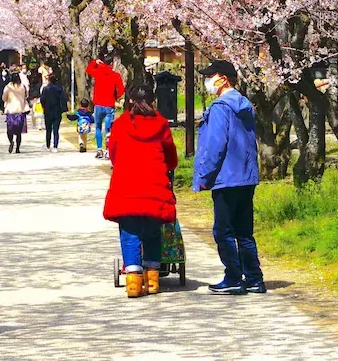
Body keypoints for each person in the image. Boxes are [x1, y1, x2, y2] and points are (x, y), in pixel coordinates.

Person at [193, 59, 265, 295]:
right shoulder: (245, 105)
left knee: (223, 231)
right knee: (244, 231)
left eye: (210, 76)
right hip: (246, 176)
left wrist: (204, 176)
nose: (207, 81)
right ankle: (254, 278)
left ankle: (234, 277)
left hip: (226, 176)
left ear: (223, 79)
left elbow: (215, 146)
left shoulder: (220, 108)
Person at [103, 77, 178, 298]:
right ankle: (153, 279)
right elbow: (170, 156)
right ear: (153, 102)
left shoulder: (121, 123)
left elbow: (114, 153)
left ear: (130, 101)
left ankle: (133, 282)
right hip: (155, 185)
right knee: (153, 232)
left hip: (127, 184)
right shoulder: (161, 124)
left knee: (130, 232)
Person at [87, 54, 125, 159]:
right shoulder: (115, 75)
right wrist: (115, 97)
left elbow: (89, 69)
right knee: (109, 130)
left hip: (98, 104)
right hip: (109, 105)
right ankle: (108, 150)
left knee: (98, 127)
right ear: (112, 63)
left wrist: (95, 61)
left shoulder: (98, 72)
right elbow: (121, 90)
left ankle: (99, 150)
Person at [2, 74, 30, 154]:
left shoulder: (8, 87)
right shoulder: (23, 87)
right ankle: (17, 148)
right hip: (20, 110)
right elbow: (26, 96)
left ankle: (11, 141)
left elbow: (4, 98)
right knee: (18, 132)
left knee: (9, 129)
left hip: (10, 110)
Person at [39, 76, 68, 152]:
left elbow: (42, 99)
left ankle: (48, 145)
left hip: (48, 111)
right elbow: (63, 100)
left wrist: (44, 106)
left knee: (48, 129)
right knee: (56, 130)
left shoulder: (45, 89)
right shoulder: (59, 89)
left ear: (49, 80)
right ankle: (55, 146)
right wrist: (64, 109)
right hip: (57, 111)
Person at [27, 64, 43, 130]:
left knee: (37, 110)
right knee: (36, 110)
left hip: (35, 95)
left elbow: (39, 84)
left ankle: (38, 124)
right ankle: (36, 123)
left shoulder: (38, 76)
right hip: (35, 94)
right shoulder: (30, 75)